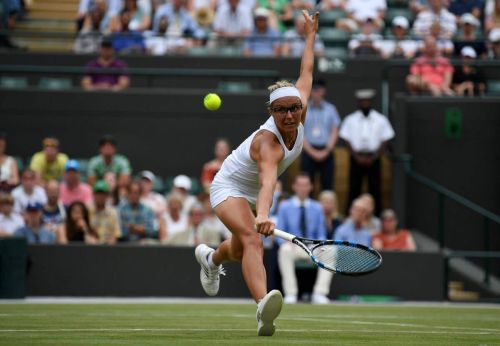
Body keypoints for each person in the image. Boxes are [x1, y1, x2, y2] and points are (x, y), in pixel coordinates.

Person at [194, 10, 319, 337]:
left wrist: (310, 37)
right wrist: (262, 214)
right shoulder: (268, 143)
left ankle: (210, 258)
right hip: (229, 188)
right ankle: (263, 306)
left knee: (236, 251)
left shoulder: (298, 108)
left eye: (295, 108)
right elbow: (267, 180)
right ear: (271, 112)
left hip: (253, 196)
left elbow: (306, 70)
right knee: (252, 239)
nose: (290, 115)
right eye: (282, 110)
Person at [276, 173, 332, 304]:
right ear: (294, 187)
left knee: (330, 250)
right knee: (284, 249)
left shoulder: (318, 208)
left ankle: (319, 293)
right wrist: (285, 243)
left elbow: (321, 234)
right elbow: (279, 232)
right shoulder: (285, 207)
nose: (302, 188)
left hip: (312, 248)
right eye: (300, 185)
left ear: (310, 187)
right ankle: (291, 294)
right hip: (293, 247)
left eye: (305, 185)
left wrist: (319, 244)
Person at [339, 89, 395, 215]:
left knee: (375, 189)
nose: (365, 104)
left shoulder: (381, 119)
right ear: (358, 102)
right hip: (355, 158)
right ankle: (350, 216)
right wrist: (356, 156)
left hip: (374, 159)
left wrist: (374, 156)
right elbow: (346, 139)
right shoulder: (350, 119)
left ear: (371, 102)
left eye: (367, 101)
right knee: (354, 189)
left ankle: (376, 218)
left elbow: (385, 140)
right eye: (362, 101)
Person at [301, 79, 341, 193]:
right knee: (306, 186)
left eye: (319, 90)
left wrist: (327, 150)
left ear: (323, 91)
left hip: (326, 151)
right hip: (308, 151)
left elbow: (334, 131)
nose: (316, 93)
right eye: (313, 90)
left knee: (327, 185)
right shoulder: (303, 108)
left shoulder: (331, 109)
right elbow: (299, 132)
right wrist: (311, 151)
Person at [89, 180, 121, 244]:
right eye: (98, 193)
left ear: (107, 195)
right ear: (94, 195)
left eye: (103, 194)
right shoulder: (88, 211)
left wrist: (109, 244)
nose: (100, 196)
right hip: (90, 248)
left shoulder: (113, 213)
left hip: (108, 249)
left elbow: (116, 234)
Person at [139, 170, 167, 236]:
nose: (144, 184)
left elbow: (163, 216)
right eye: (143, 181)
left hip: (156, 231)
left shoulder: (159, 198)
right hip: (139, 230)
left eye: (147, 182)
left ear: (152, 184)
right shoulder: (135, 198)